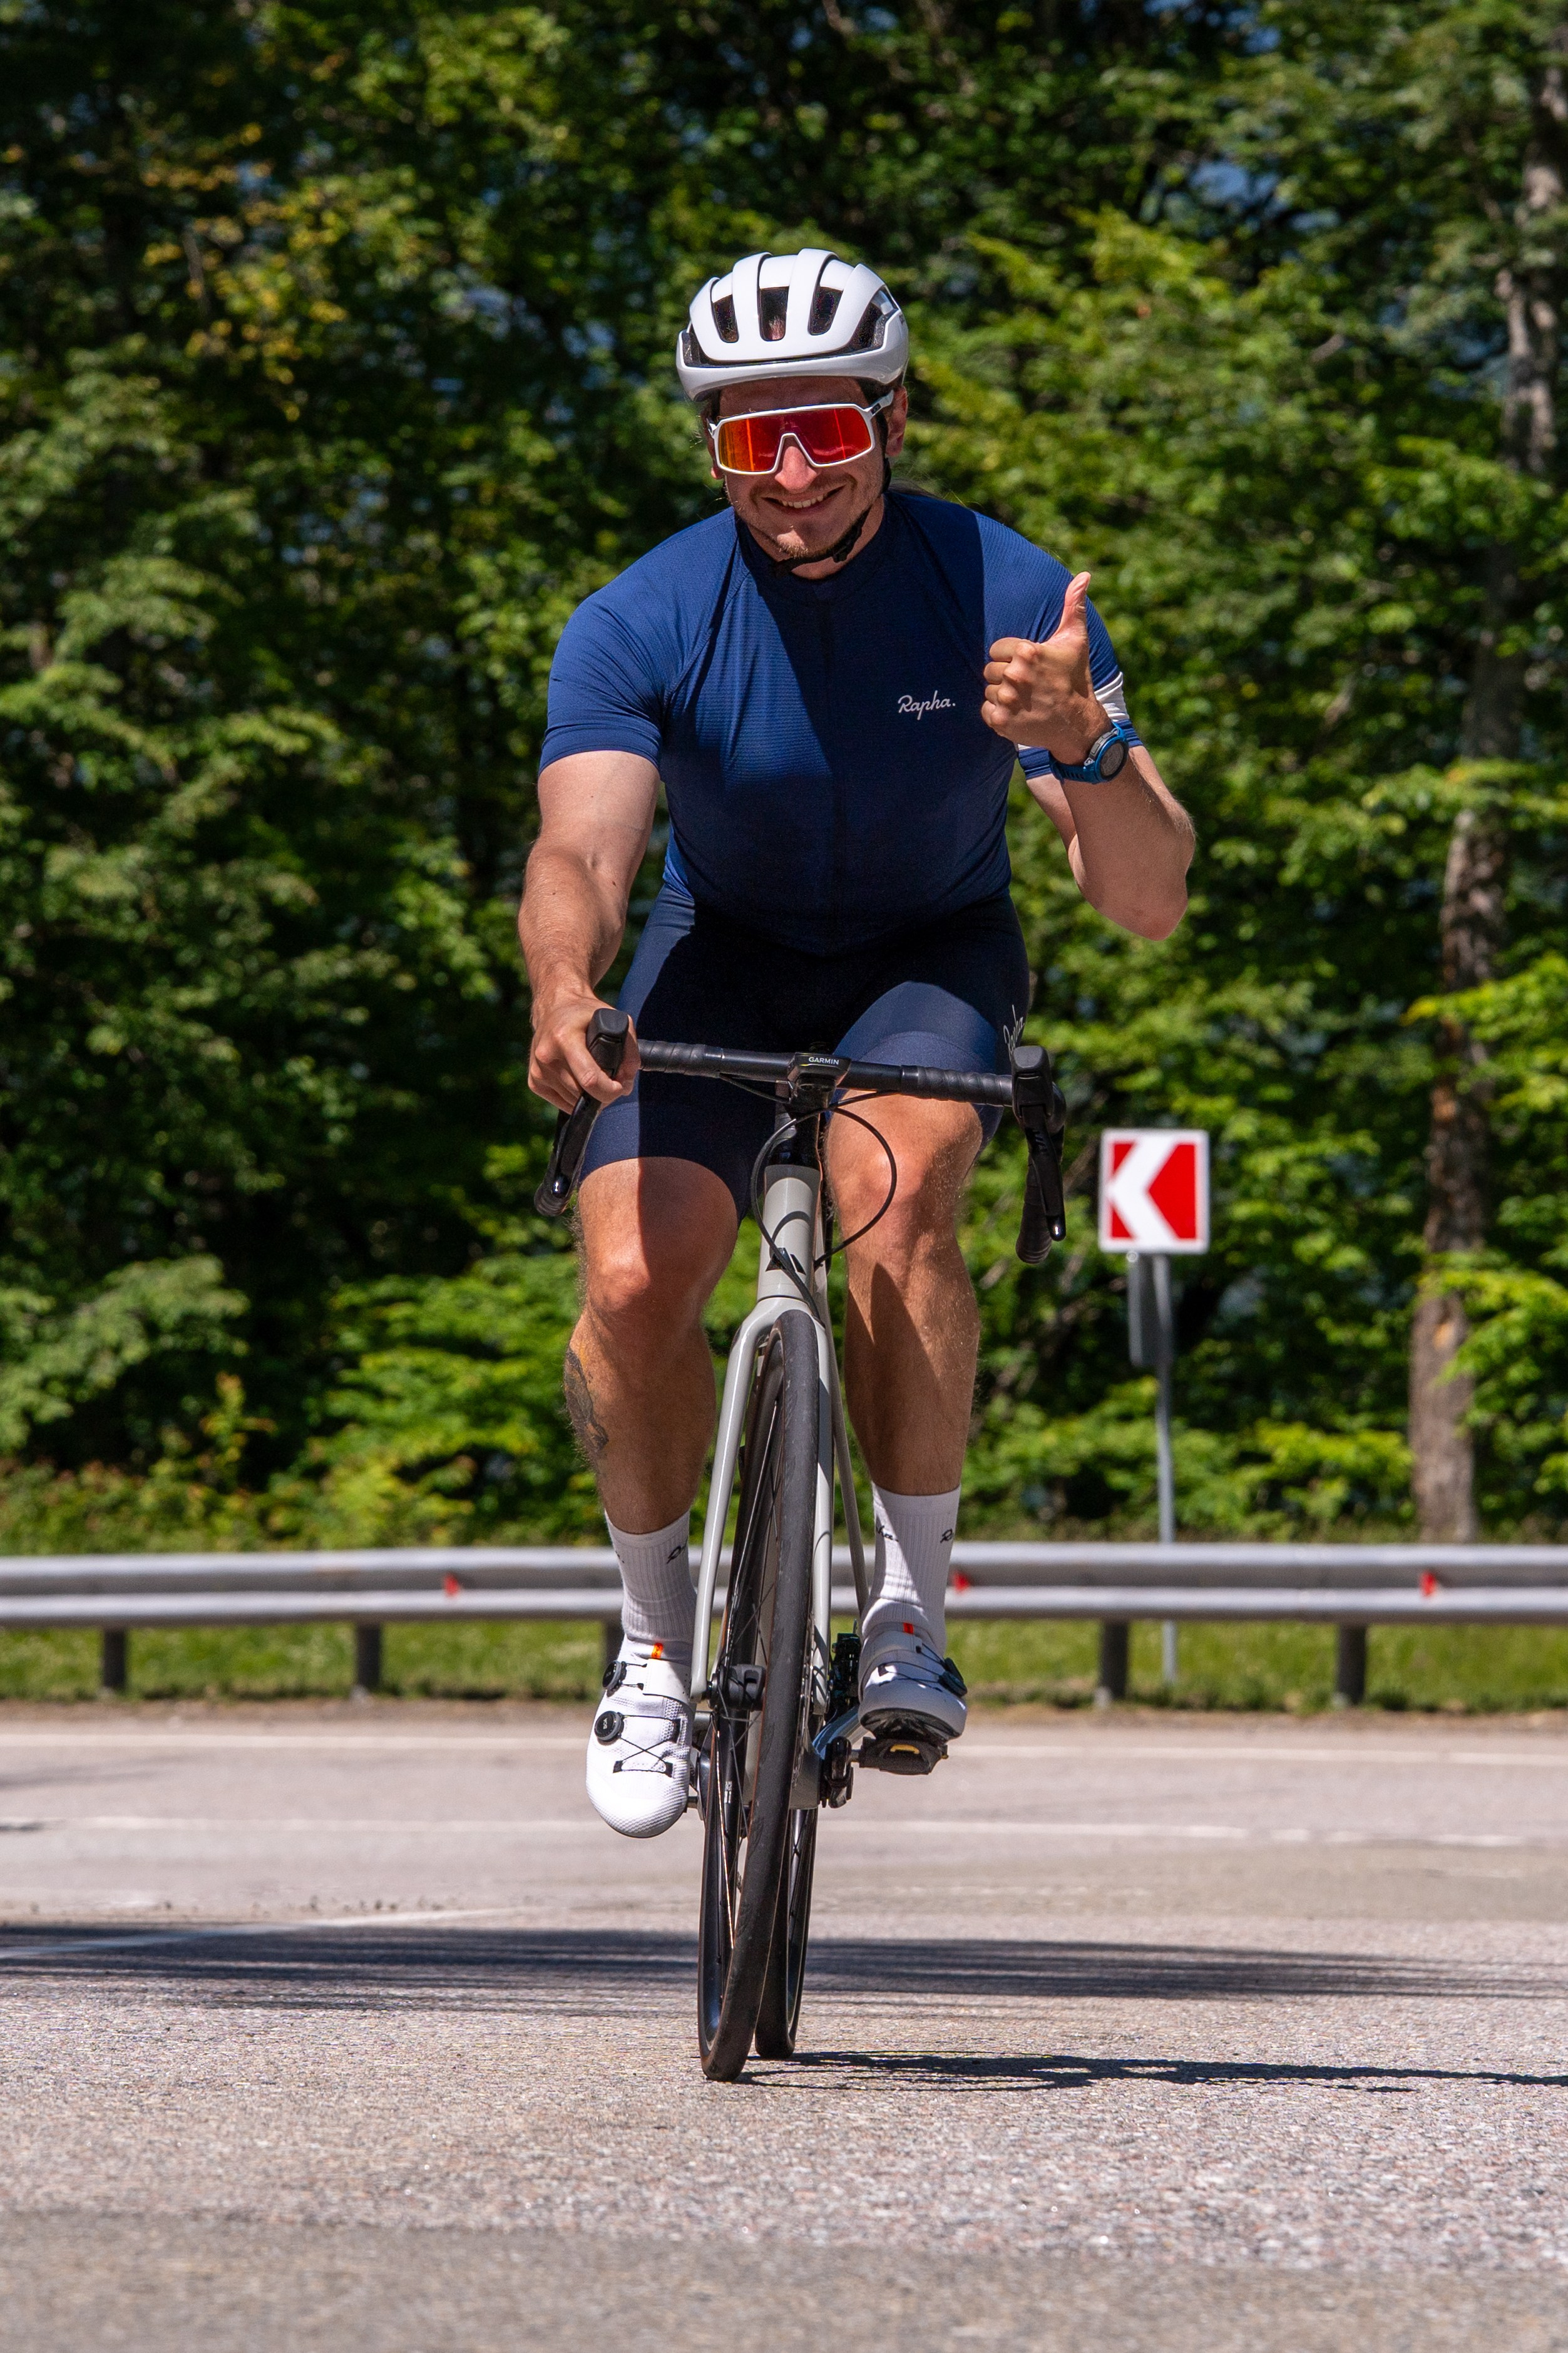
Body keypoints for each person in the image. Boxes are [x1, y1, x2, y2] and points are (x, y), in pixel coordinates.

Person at [520, 249, 1193, 1837]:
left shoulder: (1009, 596)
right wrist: (563, 984)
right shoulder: (642, 614)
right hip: (718, 958)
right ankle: (649, 1634)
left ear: (891, 418)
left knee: (907, 1195)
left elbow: (1146, 902)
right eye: (753, 438)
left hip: (923, 957)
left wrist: (1082, 743)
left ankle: (904, 1607)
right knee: (626, 1277)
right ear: (712, 449)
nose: (796, 469)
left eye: (823, 424)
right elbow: (583, 854)